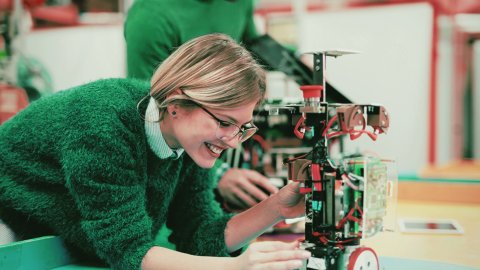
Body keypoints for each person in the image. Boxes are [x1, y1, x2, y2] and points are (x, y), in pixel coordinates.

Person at [0, 34, 309, 269]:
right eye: (224, 122)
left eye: (242, 127)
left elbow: (199, 235)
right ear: (176, 104)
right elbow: (128, 251)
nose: (232, 140)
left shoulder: (189, 143)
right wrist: (235, 265)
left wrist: (277, 208)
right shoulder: (103, 124)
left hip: (53, 237)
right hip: (8, 222)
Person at [124, 0, 279, 212]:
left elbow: (254, 47)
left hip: (207, 144)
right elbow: (156, 112)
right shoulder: (150, 17)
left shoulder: (239, 2)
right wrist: (219, 174)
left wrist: (302, 67)